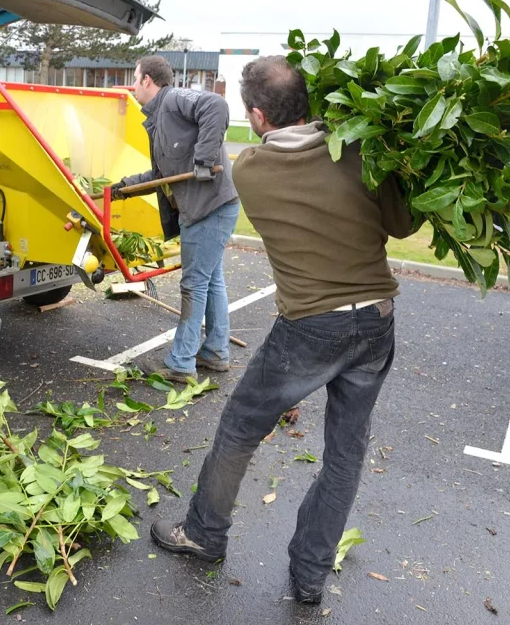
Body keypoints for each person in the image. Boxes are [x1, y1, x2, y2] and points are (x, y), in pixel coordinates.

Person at [149, 55, 417, 605]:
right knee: (346, 452)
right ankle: (311, 575)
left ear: (257, 115)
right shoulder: (360, 151)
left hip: (309, 327)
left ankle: (203, 535)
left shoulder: (251, 169)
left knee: (241, 428)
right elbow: (403, 223)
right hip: (376, 321)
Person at [111, 55, 240, 383]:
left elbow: (216, 106)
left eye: (135, 78)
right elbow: (161, 174)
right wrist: (123, 189)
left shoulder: (173, 100)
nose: (132, 86)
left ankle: (181, 363)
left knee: (194, 283)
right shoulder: (158, 120)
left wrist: (204, 159)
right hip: (213, 205)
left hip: (208, 207)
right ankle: (215, 352)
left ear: (148, 81)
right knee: (211, 280)